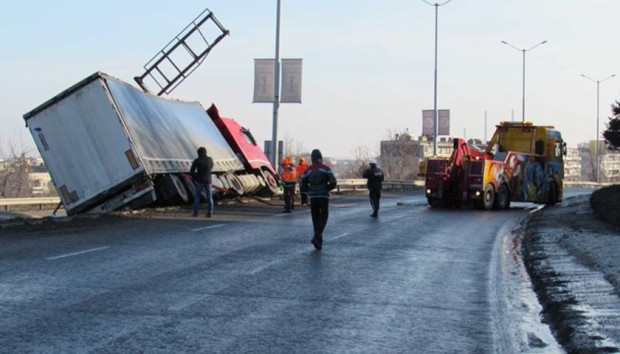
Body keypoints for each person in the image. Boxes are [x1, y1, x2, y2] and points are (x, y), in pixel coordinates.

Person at [300, 149, 337, 250]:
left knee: (315, 219)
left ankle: (318, 242)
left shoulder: (308, 170)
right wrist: (327, 189)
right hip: (323, 197)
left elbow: (302, 184)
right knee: (324, 217)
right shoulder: (326, 168)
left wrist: (309, 191)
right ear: (321, 158)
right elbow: (333, 182)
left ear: (312, 159)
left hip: (313, 197)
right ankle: (317, 238)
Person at [190, 146, 214, 217]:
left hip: (199, 180)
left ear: (198, 153)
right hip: (208, 180)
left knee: (197, 197)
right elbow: (211, 167)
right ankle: (210, 212)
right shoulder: (210, 159)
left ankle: (195, 213)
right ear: (205, 152)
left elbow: (192, 171)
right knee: (209, 197)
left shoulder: (197, 160)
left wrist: (194, 177)